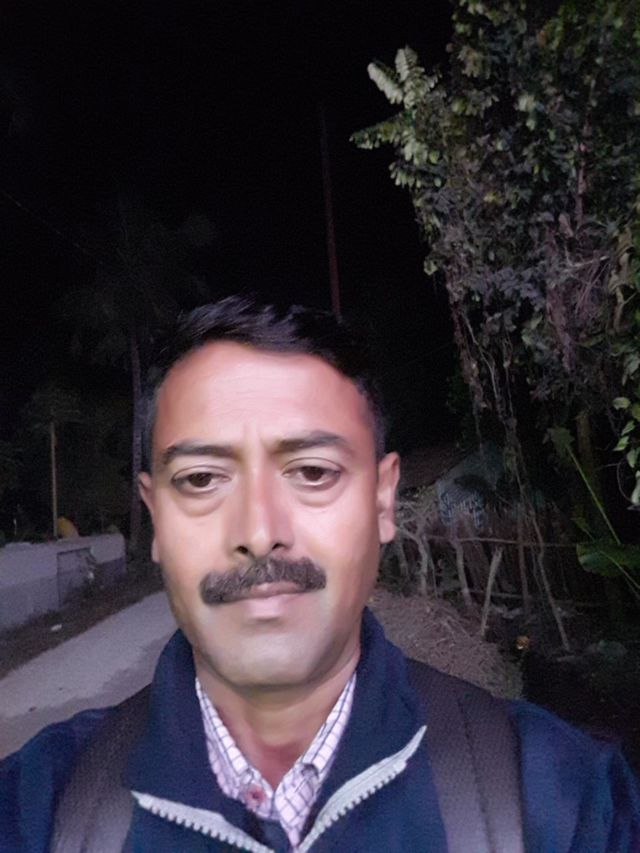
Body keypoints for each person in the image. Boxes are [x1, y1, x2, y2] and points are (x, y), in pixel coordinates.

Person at [1, 296, 639, 852]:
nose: (259, 531)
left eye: (312, 472)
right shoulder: (43, 806)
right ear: (157, 519)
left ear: (383, 501)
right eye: (201, 480)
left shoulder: (565, 802)